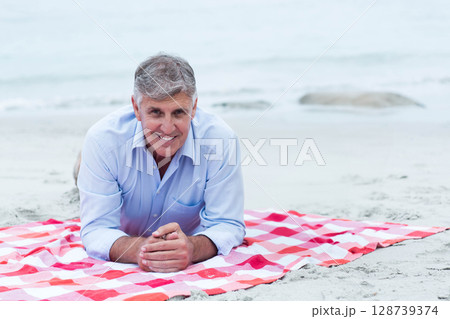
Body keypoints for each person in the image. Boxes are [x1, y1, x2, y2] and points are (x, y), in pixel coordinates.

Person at [77, 53, 245, 273]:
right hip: (103, 170)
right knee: (82, 171)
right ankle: (80, 167)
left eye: (178, 113)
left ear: (194, 108)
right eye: (156, 112)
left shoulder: (221, 140)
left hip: (186, 234)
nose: (167, 128)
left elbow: (227, 224)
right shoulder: (102, 140)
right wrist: (143, 250)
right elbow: (97, 229)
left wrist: (192, 248)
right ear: (136, 109)